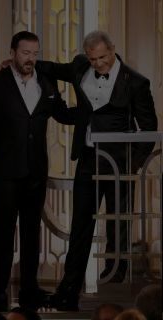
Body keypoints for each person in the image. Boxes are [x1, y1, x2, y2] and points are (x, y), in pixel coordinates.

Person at [33, 31, 157, 311]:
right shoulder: (80, 66)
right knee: (80, 227)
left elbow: (147, 130)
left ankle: (114, 293)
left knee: (118, 226)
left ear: (113, 50)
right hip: (88, 161)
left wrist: (132, 165)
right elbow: (53, 68)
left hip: (119, 166)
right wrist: (23, 63)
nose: (98, 64)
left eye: (102, 57)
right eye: (93, 59)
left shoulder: (136, 82)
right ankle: (68, 292)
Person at [0, 31, 73, 311]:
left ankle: (29, 290)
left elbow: (62, 113)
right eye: (26, 53)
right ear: (13, 52)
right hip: (6, 170)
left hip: (36, 171)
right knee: (2, 232)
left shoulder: (46, 81)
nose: (31, 58)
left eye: (35, 53)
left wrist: (90, 112)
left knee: (32, 232)